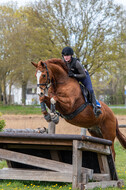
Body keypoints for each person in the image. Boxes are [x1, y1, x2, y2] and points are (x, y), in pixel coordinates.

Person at [62, 46, 102, 118]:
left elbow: (83, 75)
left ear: (71, 55)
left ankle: (96, 108)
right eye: (64, 56)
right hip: (74, 78)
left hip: (83, 77)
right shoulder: (63, 62)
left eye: (67, 55)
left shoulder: (76, 63)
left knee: (90, 90)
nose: (66, 57)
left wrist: (73, 75)